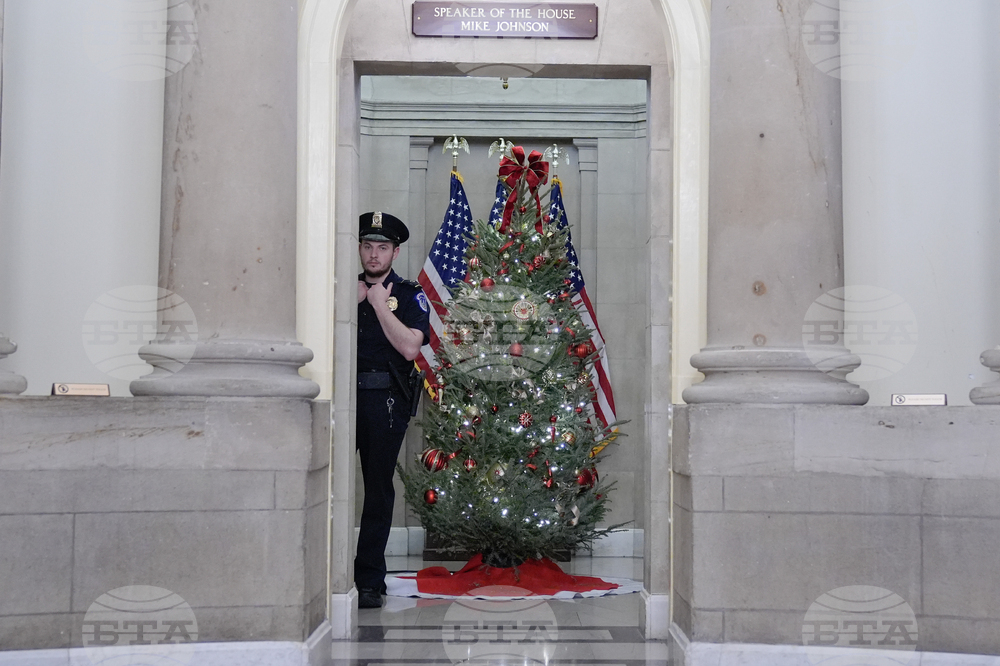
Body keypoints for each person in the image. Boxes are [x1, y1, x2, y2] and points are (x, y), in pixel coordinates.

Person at [355, 211, 430, 609]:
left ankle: (369, 580)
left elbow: (410, 348)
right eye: (367, 245)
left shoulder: (408, 293)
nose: (373, 254)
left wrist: (380, 307)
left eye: (381, 247)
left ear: (394, 252)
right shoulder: (339, 291)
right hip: (343, 397)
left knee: (378, 492)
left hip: (383, 403)